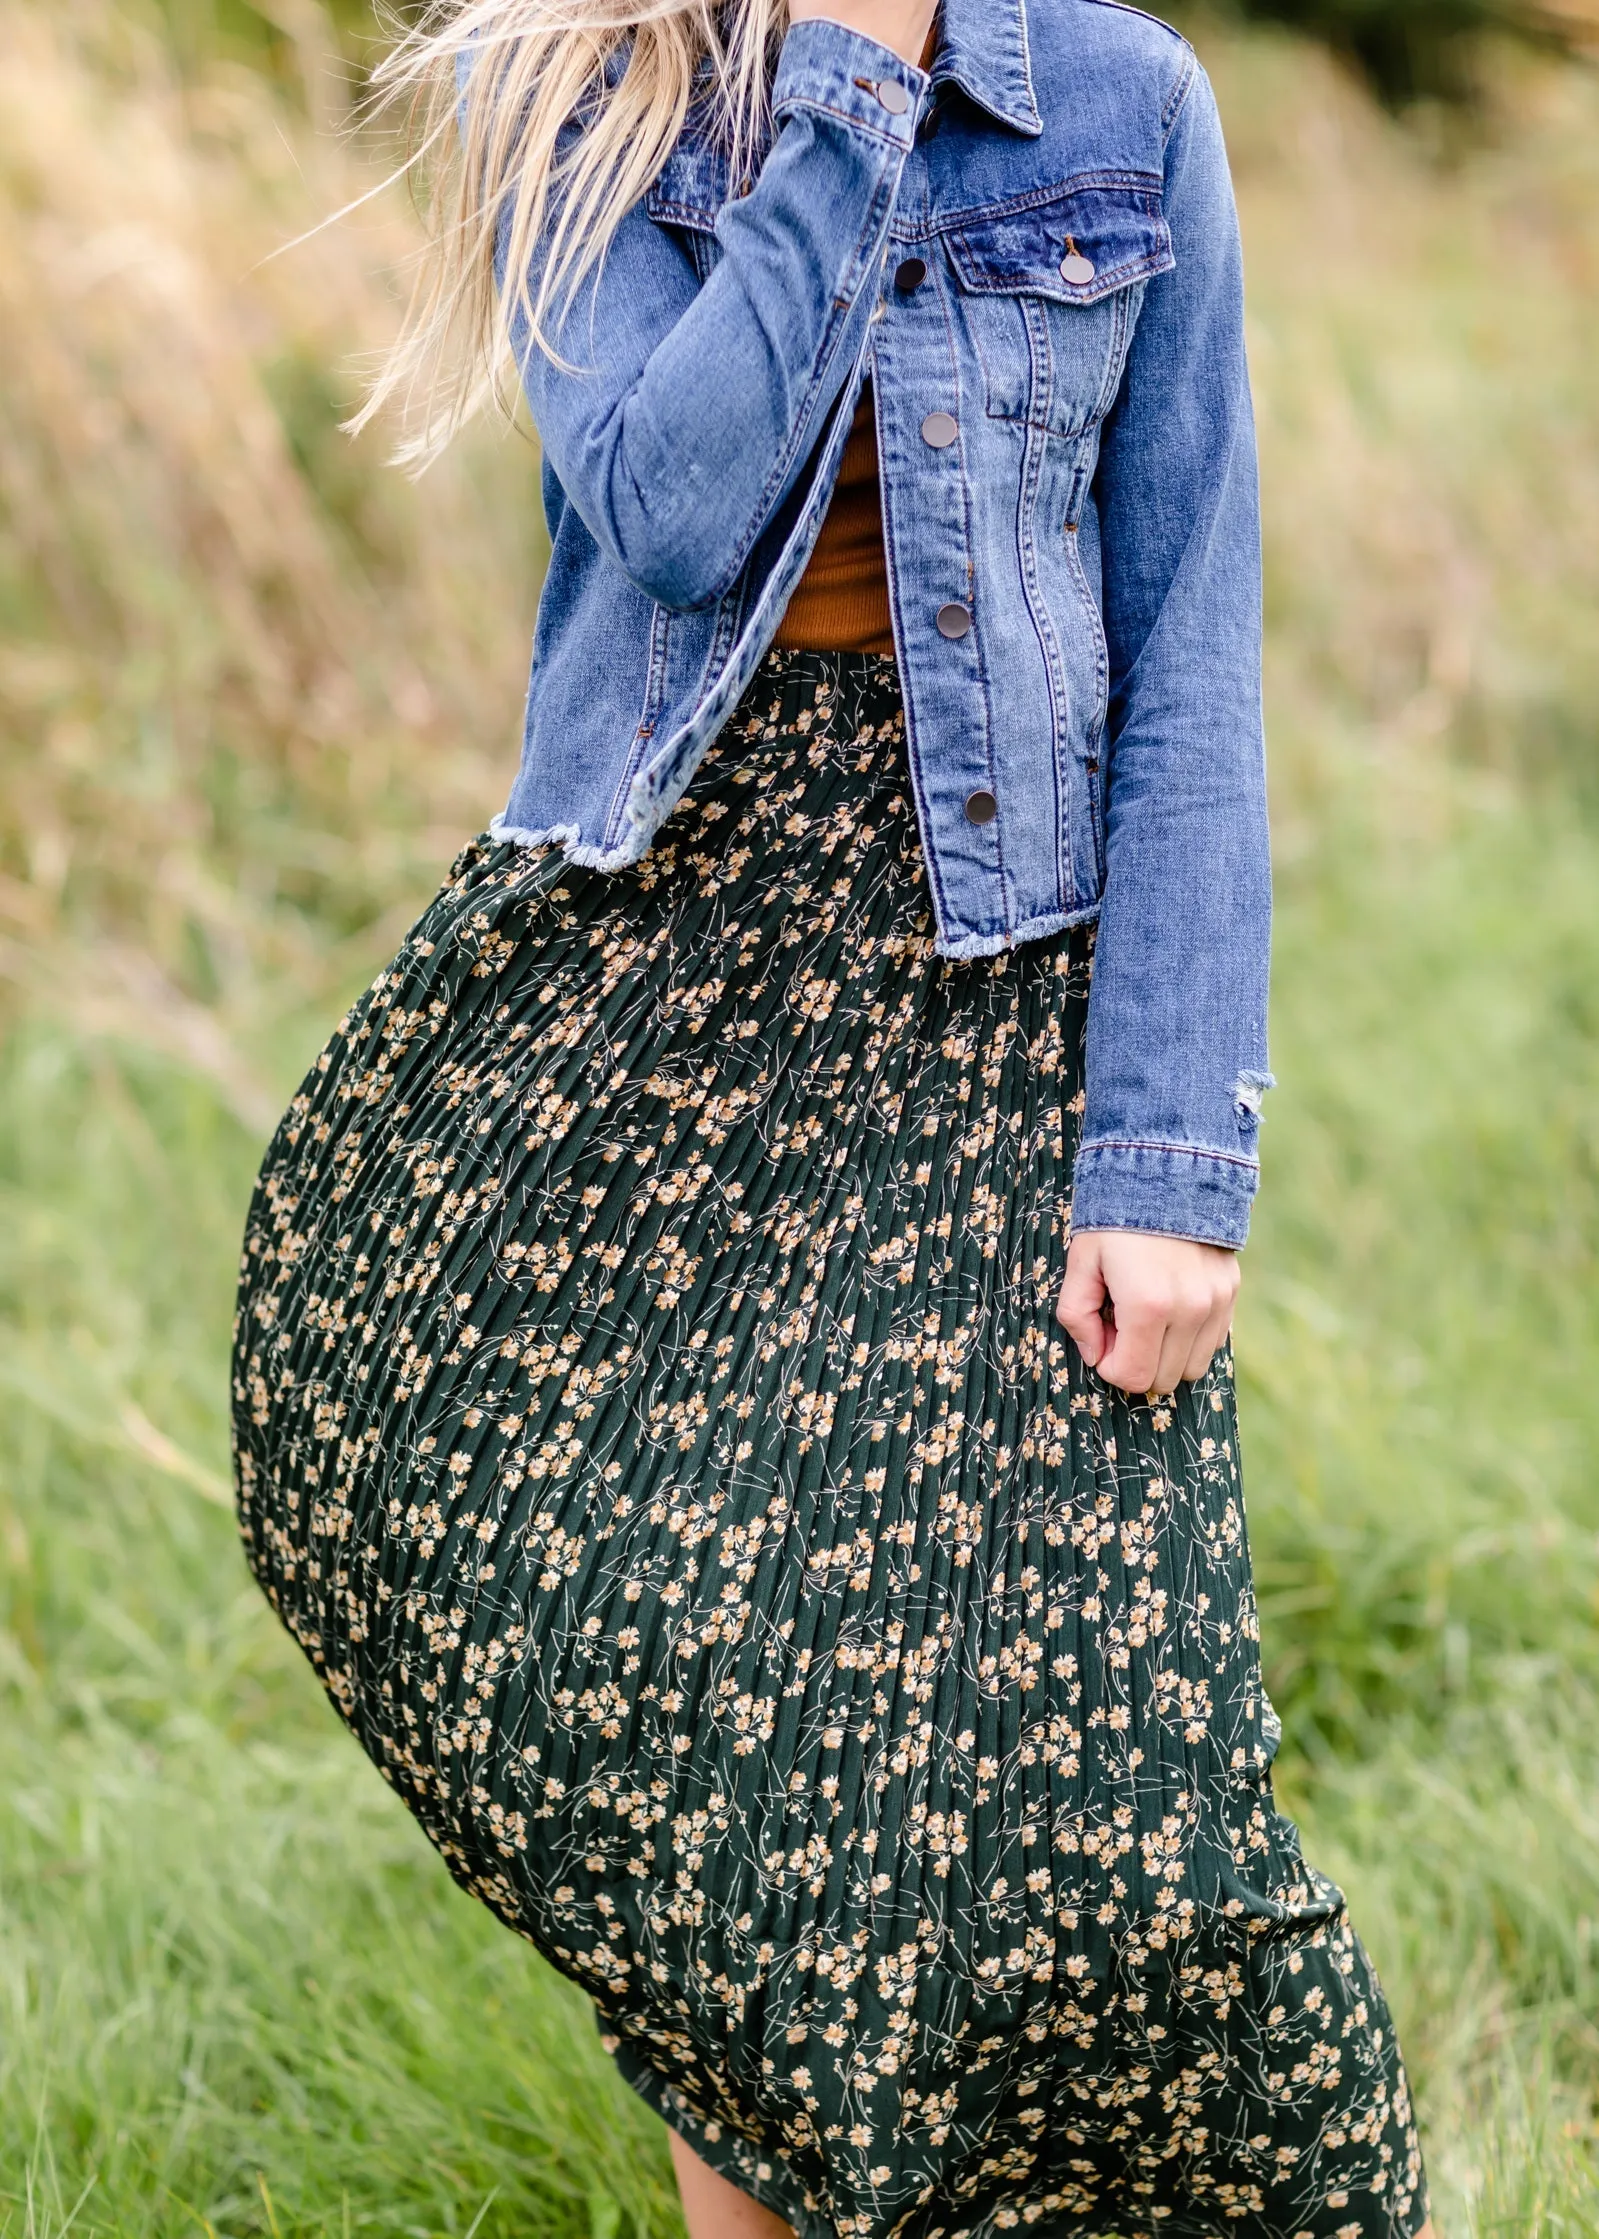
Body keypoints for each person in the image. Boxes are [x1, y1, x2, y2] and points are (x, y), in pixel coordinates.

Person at [231, 1, 1434, 2233]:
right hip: (656, 1012)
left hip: (1003, 1003)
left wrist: (1167, 1153)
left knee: (1121, 1801)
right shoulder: (573, 94)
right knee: (734, 1769)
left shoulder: (1122, 103)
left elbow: (1188, 654)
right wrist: (856, 87)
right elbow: (676, 508)